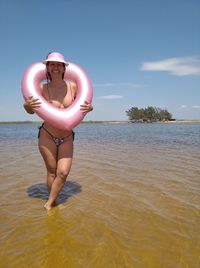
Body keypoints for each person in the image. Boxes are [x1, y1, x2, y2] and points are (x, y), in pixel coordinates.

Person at [23, 52, 93, 211]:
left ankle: (49, 203)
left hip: (67, 136)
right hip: (47, 135)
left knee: (63, 173)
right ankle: (52, 203)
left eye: (58, 64)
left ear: (64, 68)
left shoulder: (73, 86)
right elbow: (31, 111)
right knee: (52, 172)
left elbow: (82, 108)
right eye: (51, 64)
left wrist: (91, 108)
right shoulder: (42, 88)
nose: (55, 67)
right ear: (47, 67)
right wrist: (27, 105)